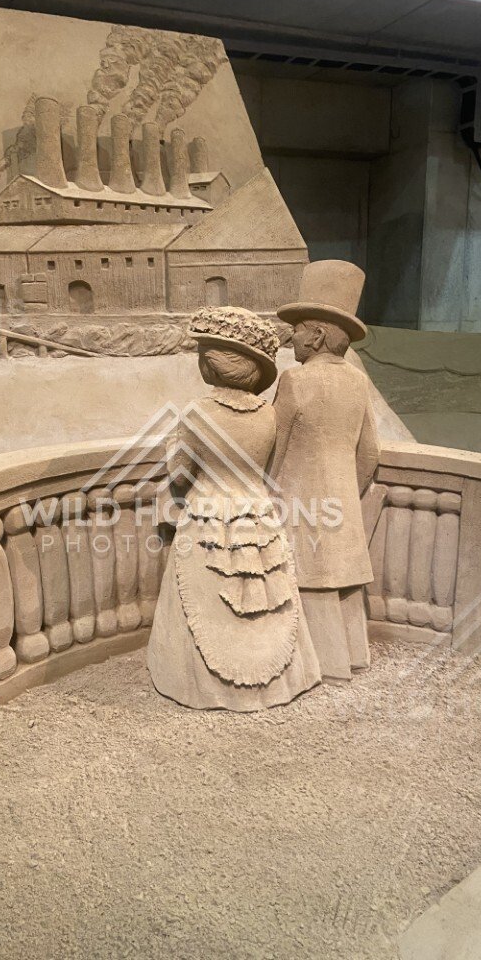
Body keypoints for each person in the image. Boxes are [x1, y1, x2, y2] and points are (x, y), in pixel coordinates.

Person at [146, 306, 321, 711]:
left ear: (211, 364)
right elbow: (268, 467)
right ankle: (273, 682)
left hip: (208, 514)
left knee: (205, 594)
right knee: (264, 593)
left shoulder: (197, 413)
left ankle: (200, 686)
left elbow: (178, 475)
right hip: (255, 514)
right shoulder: (268, 415)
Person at [269, 260, 380, 683]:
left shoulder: (294, 380)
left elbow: (274, 446)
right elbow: (370, 453)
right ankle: (354, 656)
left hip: (302, 501)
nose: (291, 337)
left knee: (310, 580)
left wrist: (267, 490)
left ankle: (321, 666)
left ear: (316, 335)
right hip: (342, 502)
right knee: (345, 580)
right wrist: (347, 490)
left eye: (297, 329)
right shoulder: (357, 382)